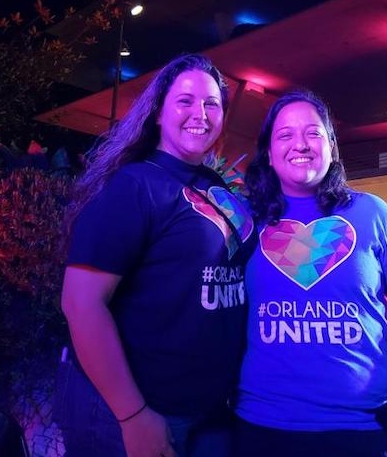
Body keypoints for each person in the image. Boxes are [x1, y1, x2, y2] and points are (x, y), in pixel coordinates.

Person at [57, 54, 256, 457]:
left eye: (211, 104)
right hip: (138, 411)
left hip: (209, 410)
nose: (199, 113)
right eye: (185, 101)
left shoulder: (215, 186)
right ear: (158, 114)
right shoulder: (135, 185)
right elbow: (80, 303)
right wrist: (133, 416)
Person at [234, 90, 387, 457]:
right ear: (268, 153)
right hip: (263, 428)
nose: (300, 144)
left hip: (365, 430)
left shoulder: (374, 214)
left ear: (331, 147)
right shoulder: (244, 221)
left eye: (313, 133)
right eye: (285, 135)